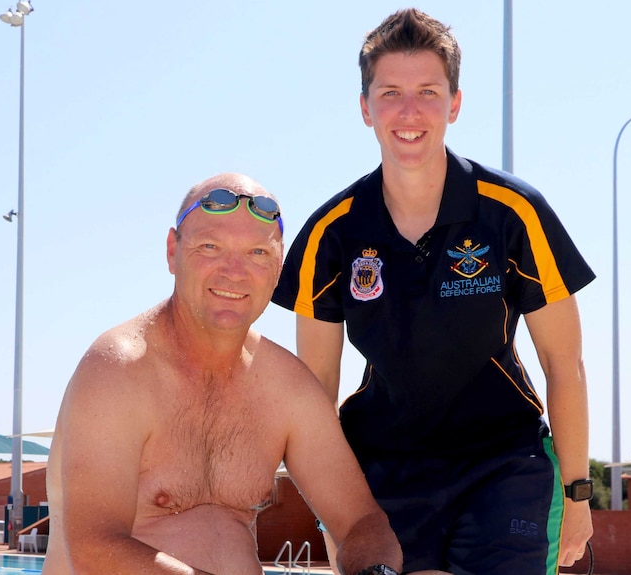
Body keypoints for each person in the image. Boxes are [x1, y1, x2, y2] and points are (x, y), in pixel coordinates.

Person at [271, 8, 595, 575]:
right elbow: (315, 389)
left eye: (428, 91)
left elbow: (562, 363)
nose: (410, 111)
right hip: (383, 471)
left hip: (502, 461)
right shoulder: (333, 233)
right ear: (366, 108)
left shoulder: (514, 214)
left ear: (455, 103)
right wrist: (331, 514)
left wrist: (577, 496)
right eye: (391, 92)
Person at [43, 173, 403, 575]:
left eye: (257, 253)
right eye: (210, 247)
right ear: (172, 251)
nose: (234, 271)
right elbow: (93, 550)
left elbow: (360, 522)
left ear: (279, 267)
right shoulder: (119, 369)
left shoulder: (286, 387)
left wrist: (375, 571)